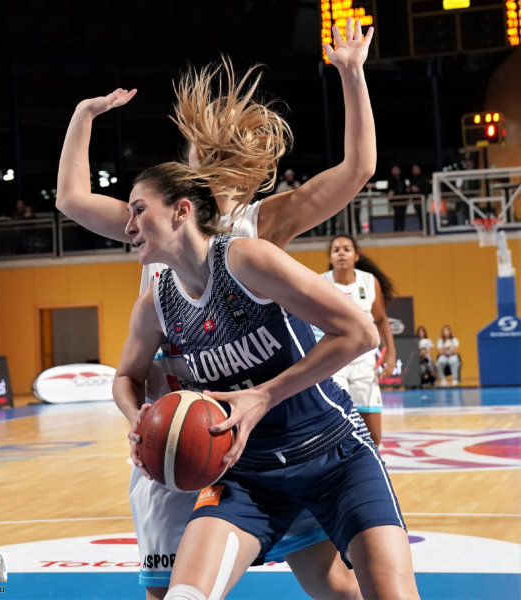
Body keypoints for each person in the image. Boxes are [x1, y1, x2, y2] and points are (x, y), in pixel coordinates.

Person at [57, 17, 376, 600]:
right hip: (180, 421)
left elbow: (357, 169)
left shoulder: (260, 223)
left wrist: (352, 75)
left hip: (266, 424)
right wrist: (83, 115)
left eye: (211, 153)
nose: (201, 159)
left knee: (330, 580)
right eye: (197, 151)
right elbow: (72, 199)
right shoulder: (153, 219)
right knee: (171, 588)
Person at [115, 163, 419, 600]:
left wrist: (265, 395)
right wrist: (138, 420)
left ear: (181, 211)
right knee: (183, 595)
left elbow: (360, 332)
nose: (128, 226)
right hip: (246, 472)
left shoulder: (246, 259)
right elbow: (126, 375)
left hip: (333, 455)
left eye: (139, 210)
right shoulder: (155, 303)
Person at [320, 234, 396, 446]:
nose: (341, 253)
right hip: (334, 363)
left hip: (364, 362)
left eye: (347, 249)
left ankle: (369, 464)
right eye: (336, 250)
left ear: (356, 256)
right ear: (330, 257)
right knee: (337, 428)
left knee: (374, 436)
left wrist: (391, 352)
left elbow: (381, 320)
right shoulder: (320, 282)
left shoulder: (369, 282)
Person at [407, 164, 430, 231]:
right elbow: (409, 188)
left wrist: (419, 189)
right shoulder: (411, 179)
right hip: (416, 200)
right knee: (419, 216)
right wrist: (410, 189)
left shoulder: (424, 177)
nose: (415, 170)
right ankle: (422, 229)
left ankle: (427, 230)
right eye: (413, 169)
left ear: (419, 169)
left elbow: (428, 188)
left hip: (423, 200)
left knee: (424, 215)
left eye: (416, 169)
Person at [388, 164, 407, 232]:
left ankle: (402, 229)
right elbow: (390, 190)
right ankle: (396, 230)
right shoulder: (391, 180)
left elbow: (405, 189)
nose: (395, 171)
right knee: (397, 215)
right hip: (395, 200)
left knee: (402, 215)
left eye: (396, 169)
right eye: (394, 170)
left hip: (403, 200)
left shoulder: (403, 178)